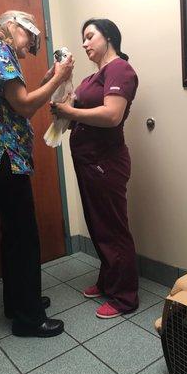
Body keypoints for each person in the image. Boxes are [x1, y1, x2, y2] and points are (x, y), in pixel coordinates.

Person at [0, 10, 73, 337]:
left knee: (14, 236)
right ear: (13, 26)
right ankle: (28, 319)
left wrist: (49, 78)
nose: (28, 50)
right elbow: (25, 105)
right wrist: (59, 78)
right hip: (2, 157)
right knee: (25, 238)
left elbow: (18, 99)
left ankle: (19, 302)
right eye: (30, 40)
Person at [50, 18, 139, 318]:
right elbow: (79, 113)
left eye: (90, 36)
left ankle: (125, 297)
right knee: (99, 226)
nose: (84, 43)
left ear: (109, 37)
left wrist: (70, 111)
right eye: (82, 38)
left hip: (106, 162)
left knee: (113, 229)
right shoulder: (93, 78)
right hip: (88, 162)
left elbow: (113, 115)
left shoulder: (119, 69)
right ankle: (108, 281)